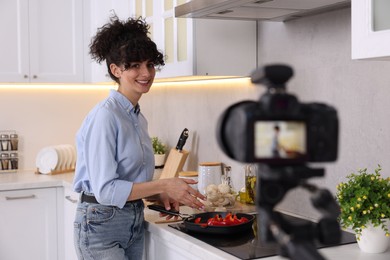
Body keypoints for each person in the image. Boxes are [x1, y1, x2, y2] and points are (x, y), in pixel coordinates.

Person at [73, 16, 205, 260]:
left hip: (132, 221)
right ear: (116, 70)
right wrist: (164, 184)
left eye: (150, 64)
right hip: (100, 227)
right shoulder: (106, 116)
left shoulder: (136, 117)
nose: (146, 73)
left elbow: (127, 182)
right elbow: (106, 190)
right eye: (134, 65)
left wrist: (159, 195)